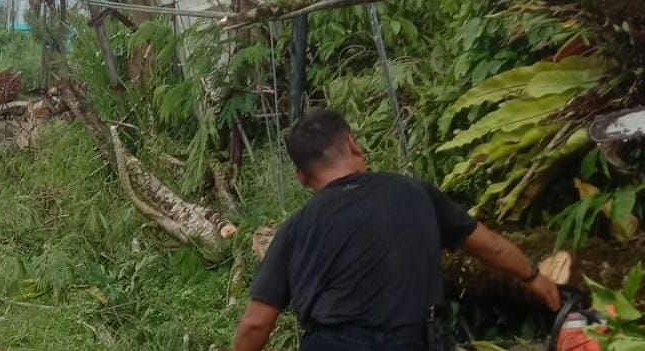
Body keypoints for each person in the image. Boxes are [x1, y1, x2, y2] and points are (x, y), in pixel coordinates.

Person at [233, 110, 561, 351]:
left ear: (302, 178)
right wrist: (533, 277)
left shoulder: (296, 227)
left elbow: (256, 322)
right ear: (353, 144)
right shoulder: (414, 193)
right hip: (414, 340)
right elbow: (490, 246)